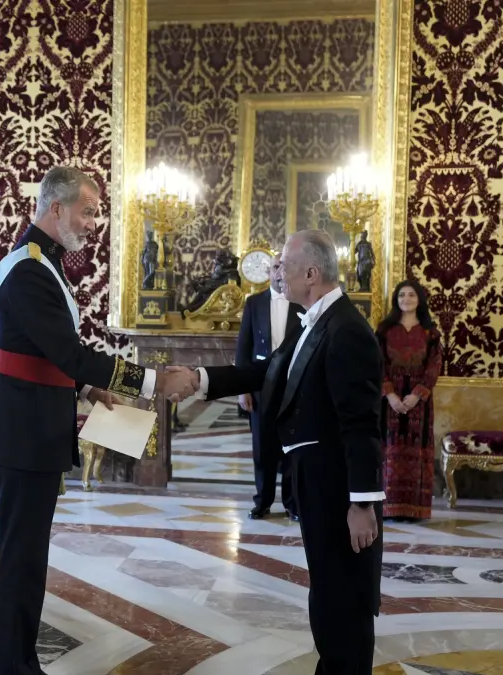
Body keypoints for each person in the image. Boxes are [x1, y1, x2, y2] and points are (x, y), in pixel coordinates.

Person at [0, 166, 198, 675]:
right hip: (23, 431)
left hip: (30, 424)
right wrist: (152, 382)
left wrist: (87, 388)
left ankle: (19, 661)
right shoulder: (30, 268)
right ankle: (13, 667)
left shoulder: (42, 262)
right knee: (22, 560)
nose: (94, 223)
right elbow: (69, 353)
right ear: (56, 208)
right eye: (88, 211)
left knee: (29, 556)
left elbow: (42, 352)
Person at [177, 229, 384, 675]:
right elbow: (266, 370)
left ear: (310, 273)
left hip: (335, 486)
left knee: (344, 592)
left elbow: (362, 424)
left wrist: (363, 504)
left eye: (284, 266)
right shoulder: (313, 321)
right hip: (314, 478)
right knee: (326, 587)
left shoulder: (347, 330)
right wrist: (198, 379)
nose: (277, 274)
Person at [236, 251, 304, 520]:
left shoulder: (301, 303)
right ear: (268, 272)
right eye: (276, 267)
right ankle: (262, 501)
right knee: (262, 447)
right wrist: (242, 389)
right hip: (259, 385)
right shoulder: (254, 303)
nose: (280, 272)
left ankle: (292, 503)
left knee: (291, 445)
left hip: (293, 385)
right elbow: (244, 348)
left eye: (284, 267)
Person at [376, 280, 441, 521]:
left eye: (411, 295)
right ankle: (388, 506)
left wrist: (416, 395)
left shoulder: (430, 333)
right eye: (402, 295)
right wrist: (390, 394)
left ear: (419, 299)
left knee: (416, 453)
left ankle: (414, 509)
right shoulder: (384, 331)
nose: (406, 299)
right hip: (389, 401)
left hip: (419, 403)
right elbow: (377, 363)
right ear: (396, 299)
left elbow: (434, 366)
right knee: (389, 451)